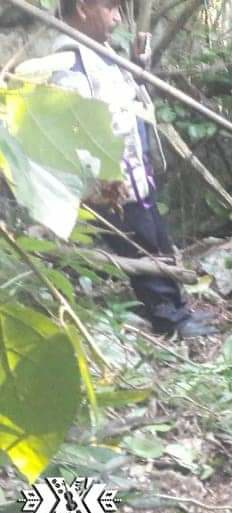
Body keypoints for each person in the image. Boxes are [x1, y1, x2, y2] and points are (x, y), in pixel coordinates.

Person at [43, 0, 214, 337]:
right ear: (82, 8)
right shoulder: (69, 60)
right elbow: (78, 126)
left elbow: (124, 103)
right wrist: (105, 175)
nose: (117, 18)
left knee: (157, 240)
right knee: (142, 246)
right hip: (112, 183)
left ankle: (178, 310)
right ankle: (169, 320)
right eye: (111, 8)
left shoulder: (97, 52)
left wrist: (138, 65)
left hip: (132, 175)